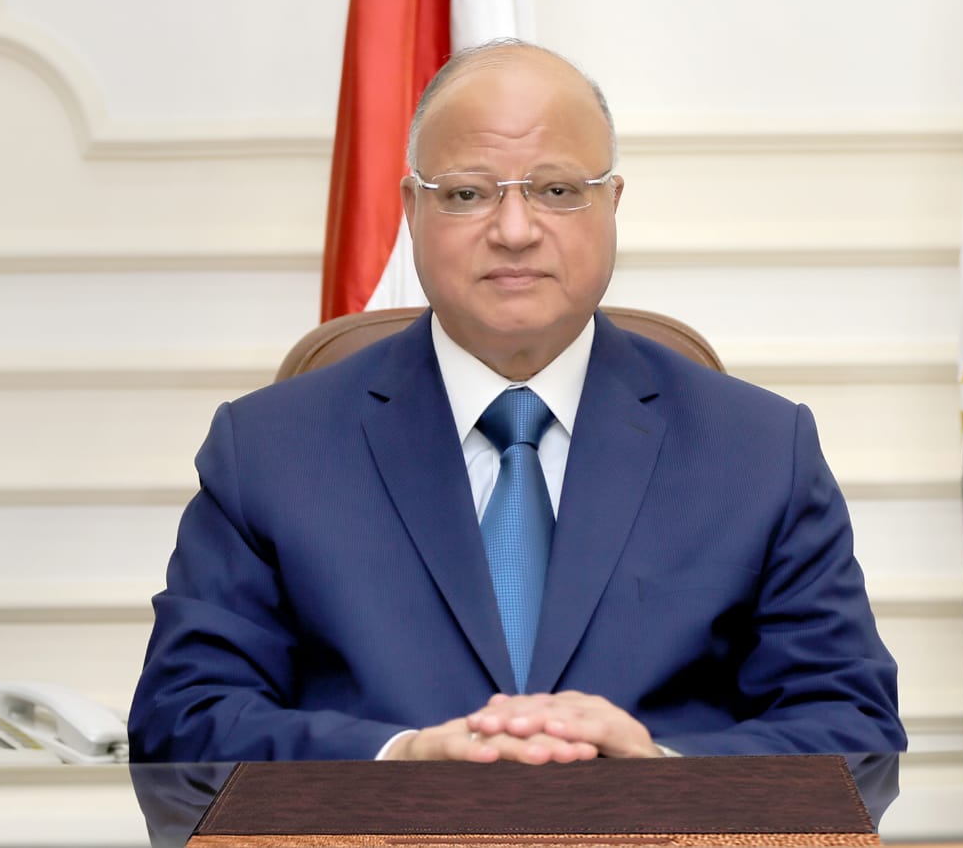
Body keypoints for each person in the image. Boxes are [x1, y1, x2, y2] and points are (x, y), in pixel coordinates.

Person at [128, 40, 906, 763]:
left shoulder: (758, 450)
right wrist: (397, 762)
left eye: (557, 191)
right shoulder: (268, 450)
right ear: (412, 209)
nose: (513, 229)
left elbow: (853, 729)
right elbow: (180, 723)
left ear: (612, 204)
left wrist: (660, 774)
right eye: (467, 193)